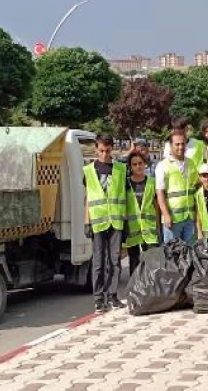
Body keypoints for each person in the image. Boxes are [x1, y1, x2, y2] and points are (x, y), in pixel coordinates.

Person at [83, 133, 128, 314]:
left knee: (115, 260)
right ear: (96, 148)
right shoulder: (88, 171)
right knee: (99, 262)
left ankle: (112, 296)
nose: (104, 154)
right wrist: (87, 222)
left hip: (116, 221)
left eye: (107, 150)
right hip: (98, 221)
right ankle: (98, 299)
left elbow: (124, 197)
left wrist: (125, 223)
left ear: (112, 149)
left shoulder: (120, 169)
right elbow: (88, 198)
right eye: (101, 150)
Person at [156, 132, 199, 244]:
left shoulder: (191, 163)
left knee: (190, 252)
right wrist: (166, 215)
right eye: (177, 144)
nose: (180, 147)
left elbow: (195, 187)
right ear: (170, 145)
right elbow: (160, 193)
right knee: (173, 254)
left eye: (183, 144)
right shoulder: (162, 166)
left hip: (189, 217)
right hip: (173, 218)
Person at [125, 151, 160, 277]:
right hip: (132, 230)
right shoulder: (126, 184)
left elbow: (156, 206)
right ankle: (134, 290)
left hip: (149, 229)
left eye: (140, 163)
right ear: (130, 166)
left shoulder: (151, 182)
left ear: (145, 164)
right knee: (134, 261)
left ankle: (151, 290)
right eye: (134, 164)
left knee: (152, 261)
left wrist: (158, 227)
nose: (138, 166)